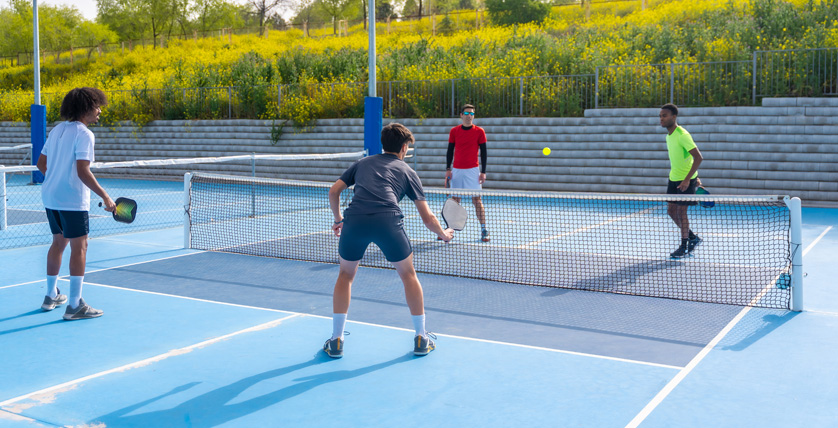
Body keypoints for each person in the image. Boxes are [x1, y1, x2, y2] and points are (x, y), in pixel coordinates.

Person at [325, 123, 454, 358]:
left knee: (345, 276)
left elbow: (334, 192)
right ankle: (421, 338)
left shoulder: (362, 163)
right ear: (404, 148)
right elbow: (427, 217)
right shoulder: (408, 171)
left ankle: (336, 340)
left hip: (355, 221)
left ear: (383, 144)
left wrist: (338, 219)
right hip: (388, 221)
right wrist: (443, 234)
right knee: (408, 275)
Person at [37, 87, 115, 320]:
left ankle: (51, 295)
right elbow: (83, 171)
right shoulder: (85, 134)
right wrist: (105, 196)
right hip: (72, 200)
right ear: (85, 108)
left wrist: (57, 178)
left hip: (50, 196)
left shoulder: (57, 129)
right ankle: (74, 305)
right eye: (96, 105)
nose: (100, 110)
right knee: (79, 248)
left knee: (58, 243)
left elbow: (41, 163)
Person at [659, 103, 703, 259]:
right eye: (660, 116)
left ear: (674, 117)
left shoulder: (682, 135)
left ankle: (684, 246)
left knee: (681, 212)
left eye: (664, 116)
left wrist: (689, 179)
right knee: (671, 211)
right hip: (674, 178)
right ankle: (692, 237)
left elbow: (698, 157)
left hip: (685, 181)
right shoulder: (668, 136)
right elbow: (685, 158)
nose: (661, 119)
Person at [446, 104, 490, 242]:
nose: (469, 116)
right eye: (466, 113)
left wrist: (483, 172)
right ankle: (449, 230)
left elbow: (484, 152)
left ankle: (484, 229)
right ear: (461, 115)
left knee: (477, 200)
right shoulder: (454, 131)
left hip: (473, 171)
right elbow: (450, 151)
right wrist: (448, 169)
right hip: (457, 170)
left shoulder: (479, 131)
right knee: (455, 201)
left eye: (471, 113)